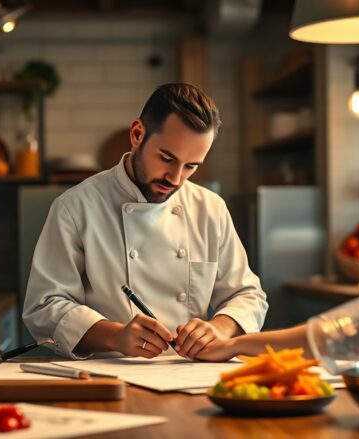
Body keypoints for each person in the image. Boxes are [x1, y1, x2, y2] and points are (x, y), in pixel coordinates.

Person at [23, 83, 268, 359]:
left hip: (188, 372)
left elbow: (248, 294)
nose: (175, 179)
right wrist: (115, 336)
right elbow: (44, 306)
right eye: (166, 158)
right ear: (137, 133)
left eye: (191, 166)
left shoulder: (210, 209)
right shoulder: (76, 207)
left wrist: (220, 329)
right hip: (108, 374)